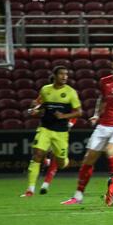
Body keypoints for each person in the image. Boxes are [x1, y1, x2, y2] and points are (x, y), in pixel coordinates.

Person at [61, 54, 113, 205]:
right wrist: (96, 114)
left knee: (110, 150)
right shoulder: (105, 81)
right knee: (88, 159)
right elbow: (102, 99)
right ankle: (78, 196)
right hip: (105, 123)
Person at [21, 66, 82, 197]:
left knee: (61, 163)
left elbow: (79, 112)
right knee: (37, 154)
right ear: (54, 75)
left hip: (61, 132)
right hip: (45, 128)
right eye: (61, 74)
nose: (65, 76)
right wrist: (35, 110)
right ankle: (30, 190)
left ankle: (62, 160)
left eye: (66, 74)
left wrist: (64, 117)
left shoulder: (71, 92)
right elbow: (42, 108)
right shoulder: (45, 90)